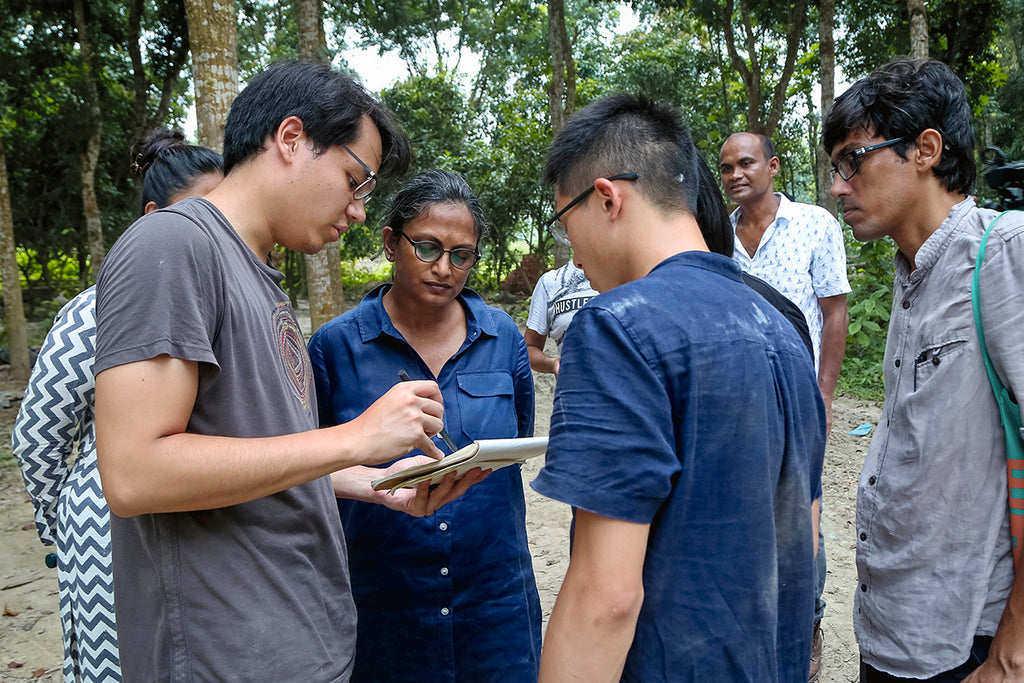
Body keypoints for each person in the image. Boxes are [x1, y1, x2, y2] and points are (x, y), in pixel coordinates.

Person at [92, 61, 481, 681]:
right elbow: (135, 472)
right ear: (291, 138)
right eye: (354, 180)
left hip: (296, 643)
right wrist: (351, 437)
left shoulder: (261, 278)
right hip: (227, 658)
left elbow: (246, 455)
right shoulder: (170, 246)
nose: (357, 211)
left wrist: (365, 479)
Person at [531, 93, 826, 681]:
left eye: (567, 225)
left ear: (607, 198)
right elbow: (807, 539)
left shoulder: (615, 327)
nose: (575, 255)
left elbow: (605, 597)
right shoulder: (785, 325)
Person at [823, 57, 1024, 682]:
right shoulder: (911, 276)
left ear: (925, 150)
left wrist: (1012, 654)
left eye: (853, 161)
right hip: (895, 626)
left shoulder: (1003, 253)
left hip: (970, 641)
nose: (837, 186)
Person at [308, 169, 541, 681]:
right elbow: (308, 468)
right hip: (382, 606)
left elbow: (516, 440)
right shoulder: (334, 348)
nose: (445, 268)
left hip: (495, 603)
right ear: (391, 242)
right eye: (428, 248)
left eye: (462, 255)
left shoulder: (503, 338)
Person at [12, 128, 223, 683]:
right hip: (107, 531)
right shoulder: (99, 306)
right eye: (198, 214)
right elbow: (39, 433)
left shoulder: (229, 295)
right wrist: (64, 523)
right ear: (154, 217)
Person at [719, 131, 850, 679]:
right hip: (735, 403)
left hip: (798, 404)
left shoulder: (816, 224)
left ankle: (809, 621)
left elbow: (835, 314)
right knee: (744, 512)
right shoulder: (716, 236)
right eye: (725, 168)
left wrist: (821, 396)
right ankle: (755, 623)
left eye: (745, 163)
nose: (734, 175)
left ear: (772, 167)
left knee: (804, 517)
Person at [524, 259, 597, 375]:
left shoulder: (628, 275)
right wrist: (553, 364)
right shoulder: (550, 282)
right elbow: (529, 347)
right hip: (573, 386)